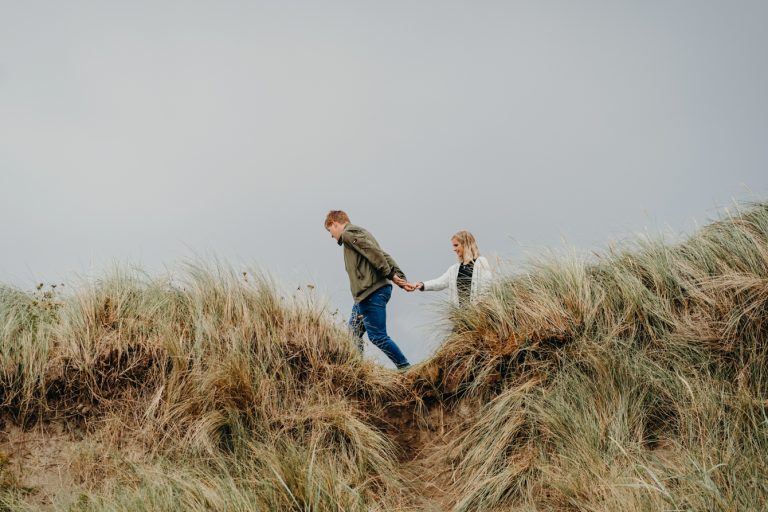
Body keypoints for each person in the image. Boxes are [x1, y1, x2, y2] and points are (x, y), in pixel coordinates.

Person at [324, 210, 411, 370]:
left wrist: (392, 275)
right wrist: (400, 278)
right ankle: (358, 371)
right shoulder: (361, 233)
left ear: (335, 224)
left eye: (330, 231)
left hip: (371, 292)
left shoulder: (349, 234)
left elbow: (374, 253)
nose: (331, 236)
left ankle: (405, 367)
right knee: (353, 333)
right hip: (364, 297)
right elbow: (383, 253)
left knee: (378, 336)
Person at [404, 230, 492, 307]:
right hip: (461, 319)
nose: (454, 249)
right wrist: (422, 285)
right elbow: (440, 282)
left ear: (465, 244)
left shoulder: (481, 262)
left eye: (456, 245)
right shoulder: (454, 269)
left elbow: (486, 288)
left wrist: (480, 310)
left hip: (478, 317)